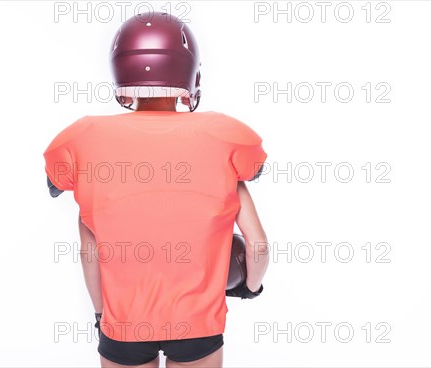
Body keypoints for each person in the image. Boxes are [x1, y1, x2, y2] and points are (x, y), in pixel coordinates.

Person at [43, 11, 269, 368]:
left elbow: (90, 250)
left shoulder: (82, 138)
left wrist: (104, 316)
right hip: (198, 326)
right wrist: (250, 287)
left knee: (88, 214)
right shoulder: (224, 137)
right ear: (188, 72)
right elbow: (257, 246)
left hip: (123, 326)